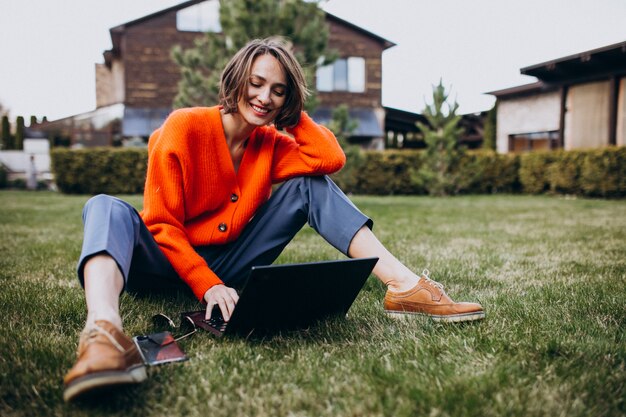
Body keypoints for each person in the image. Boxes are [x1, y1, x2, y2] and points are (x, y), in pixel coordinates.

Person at [62, 37, 484, 402]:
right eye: (257, 83)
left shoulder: (269, 143)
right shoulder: (184, 127)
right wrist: (207, 284)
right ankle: (103, 331)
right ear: (236, 79)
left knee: (309, 186)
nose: (265, 97)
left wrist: (292, 113)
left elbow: (328, 159)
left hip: (230, 261)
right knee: (105, 206)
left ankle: (404, 287)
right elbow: (161, 226)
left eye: (279, 91)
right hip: (162, 261)